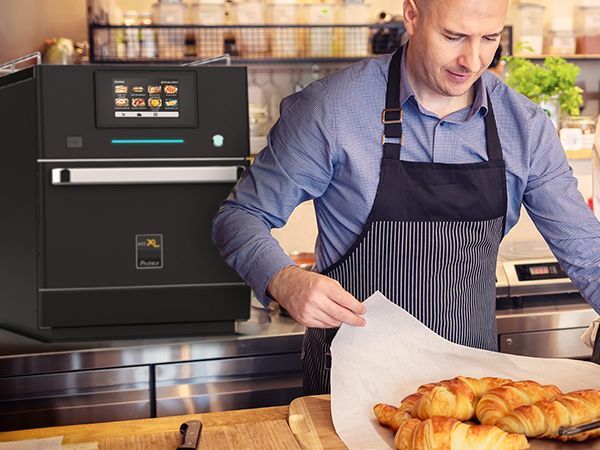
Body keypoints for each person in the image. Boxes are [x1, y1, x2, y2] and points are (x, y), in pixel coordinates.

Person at [212, 0, 600, 395]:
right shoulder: (331, 109)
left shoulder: (526, 127)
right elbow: (240, 216)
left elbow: (588, 253)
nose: (472, 59)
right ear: (412, 16)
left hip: (471, 392)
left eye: (489, 39)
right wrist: (284, 279)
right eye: (454, 36)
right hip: (350, 386)